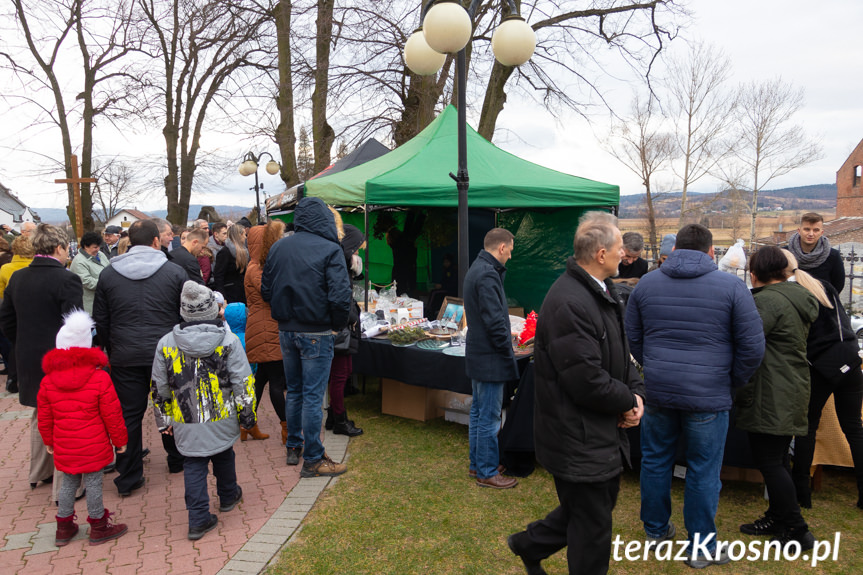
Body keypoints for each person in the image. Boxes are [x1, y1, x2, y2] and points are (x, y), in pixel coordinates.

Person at [508, 211, 645, 575]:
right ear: (601, 254)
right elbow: (585, 379)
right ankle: (528, 545)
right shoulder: (570, 301)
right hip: (576, 435)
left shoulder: (602, 291)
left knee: (588, 509)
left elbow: (621, 354)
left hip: (596, 432)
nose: (624, 254)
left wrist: (635, 392)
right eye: (619, 248)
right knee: (592, 529)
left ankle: (528, 544)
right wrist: (628, 401)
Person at [625, 224, 765, 568]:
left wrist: (654, 366)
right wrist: (730, 380)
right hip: (708, 393)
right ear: (711, 251)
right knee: (703, 469)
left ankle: (656, 533)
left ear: (674, 250)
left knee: (656, 460)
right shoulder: (732, 286)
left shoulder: (648, 283)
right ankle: (701, 547)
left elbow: (633, 336)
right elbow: (752, 347)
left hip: (661, 389)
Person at [151, 281, 255, 541]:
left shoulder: (166, 343)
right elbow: (242, 380)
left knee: (194, 463)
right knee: (223, 453)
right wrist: (247, 414)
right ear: (212, 310)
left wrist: (163, 420)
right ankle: (228, 494)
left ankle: (198, 518)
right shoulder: (228, 341)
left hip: (185, 416)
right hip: (221, 412)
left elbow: (159, 385)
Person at [93, 219, 188, 495]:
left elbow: (102, 319)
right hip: (166, 352)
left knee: (129, 414)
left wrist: (112, 347)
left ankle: (130, 473)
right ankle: (177, 458)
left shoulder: (109, 275)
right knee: (170, 405)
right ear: (156, 241)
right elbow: (184, 316)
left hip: (125, 354)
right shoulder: (174, 272)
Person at [736, 246, 820, 550]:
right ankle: (778, 517)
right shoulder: (793, 295)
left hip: (772, 390)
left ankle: (798, 529)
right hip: (789, 385)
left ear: (756, 273)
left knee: (770, 460)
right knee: (779, 459)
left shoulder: (768, 302)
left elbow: (747, 343)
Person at [261, 197, 352, 477]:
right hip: (315, 330)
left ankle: (294, 445)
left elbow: (267, 290)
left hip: (287, 329)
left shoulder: (279, 247)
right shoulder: (329, 249)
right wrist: (337, 325)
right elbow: (340, 296)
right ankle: (312, 458)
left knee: (297, 390)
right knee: (311, 395)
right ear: (324, 219)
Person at [0, 224, 84, 491]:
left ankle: (38, 472)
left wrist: (22, 344)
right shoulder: (66, 279)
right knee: (64, 416)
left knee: (40, 412)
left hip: (27, 356)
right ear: (59, 247)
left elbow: (7, 320)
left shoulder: (18, 278)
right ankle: (66, 486)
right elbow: (75, 326)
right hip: (60, 358)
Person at [38, 309, 128, 546]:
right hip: (94, 442)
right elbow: (112, 413)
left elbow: (45, 417)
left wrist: (48, 440)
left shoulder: (48, 381)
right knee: (94, 482)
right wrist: (119, 440)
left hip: (65, 442)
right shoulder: (99, 378)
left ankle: (64, 527)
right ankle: (98, 525)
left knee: (69, 482)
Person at [792, 257, 863, 510]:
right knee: (854, 428)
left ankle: (802, 493)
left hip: (821, 365)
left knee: (807, 427)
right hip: (850, 360)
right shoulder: (825, 288)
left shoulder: (797, 295)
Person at [464, 228, 519, 489]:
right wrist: (507, 347)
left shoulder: (479, 268)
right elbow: (495, 320)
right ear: (501, 248)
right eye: (510, 249)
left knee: (478, 412)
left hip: (479, 352)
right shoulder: (487, 274)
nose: (510, 254)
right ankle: (486, 470)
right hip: (489, 356)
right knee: (488, 416)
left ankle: (479, 464)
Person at [245, 221, 288, 445]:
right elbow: (269, 294)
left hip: (261, 326)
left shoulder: (255, 266)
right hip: (266, 328)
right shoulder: (258, 269)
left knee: (261, 378)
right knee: (276, 381)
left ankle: (247, 423)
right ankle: (286, 427)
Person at [326, 224, 365, 437]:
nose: (358, 254)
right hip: (339, 328)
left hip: (343, 327)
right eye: (357, 249)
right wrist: (351, 316)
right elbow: (340, 299)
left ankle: (334, 415)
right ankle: (339, 419)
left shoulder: (344, 267)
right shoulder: (338, 267)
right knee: (339, 375)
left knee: (344, 371)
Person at [785, 212, 845, 293]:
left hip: (822, 303)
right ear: (799, 231)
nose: (811, 234)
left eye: (816, 230)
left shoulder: (833, 256)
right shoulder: (785, 254)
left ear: (821, 232)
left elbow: (837, 286)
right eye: (807, 229)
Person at [70, 231, 111, 314]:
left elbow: (109, 268)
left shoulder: (100, 255)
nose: (98, 249)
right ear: (86, 247)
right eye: (95, 247)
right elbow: (88, 282)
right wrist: (108, 283)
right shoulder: (79, 262)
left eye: (98, 246)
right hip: (90, 306)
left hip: (103, 302)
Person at [386, 210, 426, 296]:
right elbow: (411, 228)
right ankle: (416, 212)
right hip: (407, 270)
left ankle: (417, 212)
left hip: (400, 272)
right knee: (407, 291)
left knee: (401, 291)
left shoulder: (395, 245)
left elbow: (413, 229)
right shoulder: (403, 241)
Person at [214, 223, 249, 304]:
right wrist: (223, 297)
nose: (245, 237)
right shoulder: (225, 252)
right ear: (238, 235)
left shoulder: (243, 250)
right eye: (244, 234)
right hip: (230, 293)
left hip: (241, 292)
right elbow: (218, 276)